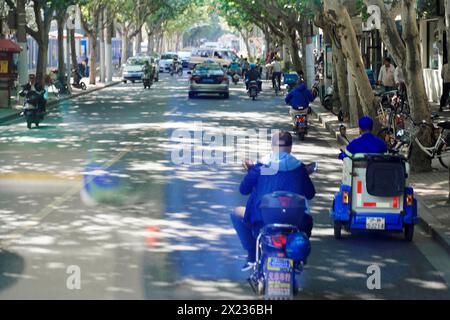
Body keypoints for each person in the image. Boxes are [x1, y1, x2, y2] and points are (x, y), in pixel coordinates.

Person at [231, 131, 316, 271]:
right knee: (308, 221)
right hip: (296, 223)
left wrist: (251, 172)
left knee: (235, 213)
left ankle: (252, 255)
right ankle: (299, 258)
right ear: (290, 147)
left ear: (272, 146)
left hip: (262, 221)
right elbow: (310, 194)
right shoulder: (299, 168)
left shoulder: (261, 168)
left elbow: (243, 190)